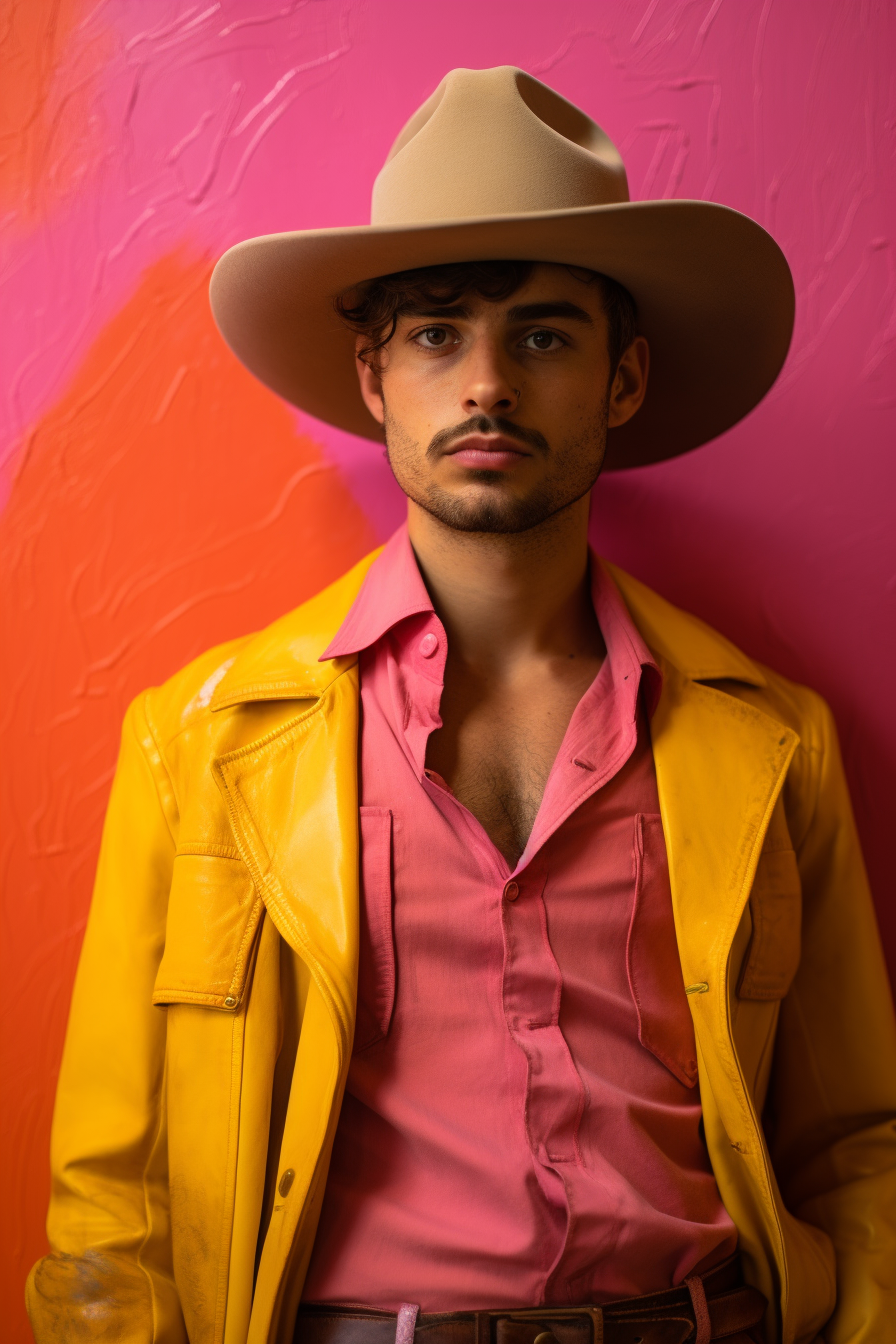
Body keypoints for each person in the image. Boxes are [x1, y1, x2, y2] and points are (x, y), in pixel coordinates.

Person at [27, 66, 896, 1344]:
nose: (485, 383)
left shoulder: (765, 738)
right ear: (373, 377)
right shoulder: (202, 737)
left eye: (541, 335)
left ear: (623, 378)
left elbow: (854, 1145)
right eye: (436, 333)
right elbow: (112, 1200)